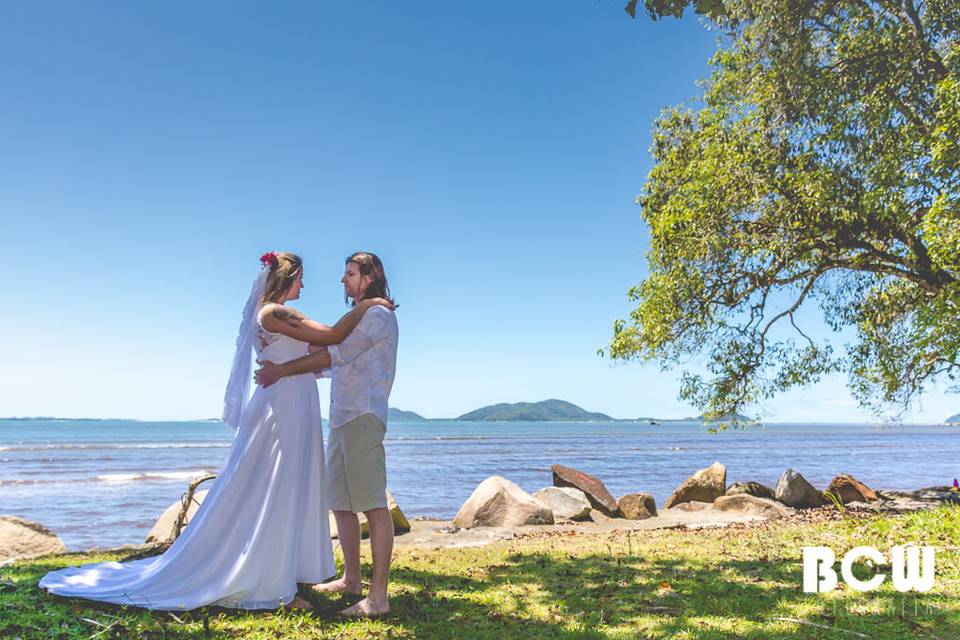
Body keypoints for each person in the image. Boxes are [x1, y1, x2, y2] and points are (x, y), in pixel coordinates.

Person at [39, 252, 392, 611]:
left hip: (296, 402)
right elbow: (334, 335)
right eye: (299, 278)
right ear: (286, 278)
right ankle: (269, 580)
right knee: (274, 486)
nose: (304, 284)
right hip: (284, 405)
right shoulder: (274, 313)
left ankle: (283, 571)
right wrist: (367, 306)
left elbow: (328, 347)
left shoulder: (281, 313)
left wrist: (295, 363)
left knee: (284, 488)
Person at [255, 251, 397, 618]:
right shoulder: (361, 314)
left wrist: (283, 369)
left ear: (370, 275)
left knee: (373, 505)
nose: (342, 280)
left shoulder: (378, 315)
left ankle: (378, 598)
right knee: (342, 503)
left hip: (363, 414)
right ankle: (352, 579)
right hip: (340, 417)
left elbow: (335, 354)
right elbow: (328, 353)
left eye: (349, 273)